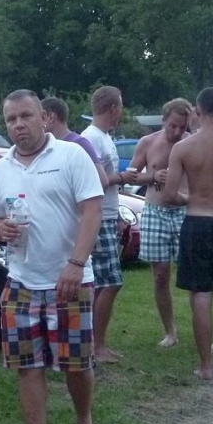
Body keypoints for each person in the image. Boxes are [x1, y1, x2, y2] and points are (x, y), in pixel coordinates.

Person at [0, 89, 105, 424]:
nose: (19, 125)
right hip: (20, 281)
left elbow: (92, 210)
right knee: (27, 366)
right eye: (11, 120)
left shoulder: (71, 155)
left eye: (26, 116)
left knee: (76, 364)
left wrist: (75, 263)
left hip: (68, 280)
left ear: (44, 117)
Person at [162, 87, 213, 381]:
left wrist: (190, 199)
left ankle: (205, 366)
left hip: (197, 222)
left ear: (197, 112)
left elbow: (168, 195)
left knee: (201, 295)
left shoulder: (183, 149)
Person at [124, 98, 191, 348]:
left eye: (181, 127)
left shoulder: (191, 143)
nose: (176, 132)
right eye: (172, 125)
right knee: (160, 275)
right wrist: (152, 176)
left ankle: (201, 329)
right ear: (164, 120)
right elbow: (130, 175)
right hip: (154, 210)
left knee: (195, 273)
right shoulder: (148, 142)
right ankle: (170, 331)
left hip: (186, 211)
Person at [81, 86, 127, 363]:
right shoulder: (90, 139)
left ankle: (96, 344)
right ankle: (97, 347)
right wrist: (122, 177)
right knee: (111, 283)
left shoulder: (105, 138)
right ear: (113, 107)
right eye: (120, 106)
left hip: (109, 217)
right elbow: (96, 181)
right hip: (98, 220)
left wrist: (119, 215)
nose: (121, 111)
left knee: (101, 284)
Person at [40, 96, 108, 189]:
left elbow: (102, 181)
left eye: (42, 118)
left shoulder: (79, 143)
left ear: (51, 117)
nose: (38, 123)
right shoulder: (48, 146)